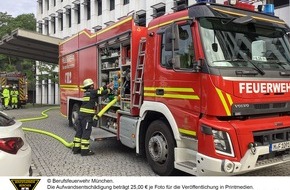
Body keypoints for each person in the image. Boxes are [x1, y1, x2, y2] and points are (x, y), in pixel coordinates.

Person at [72, 78, 113, 156]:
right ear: (91, 86)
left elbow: (98, 90)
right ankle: (84, 151)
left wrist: (106, 86)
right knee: (86, 132)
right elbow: (101, 92)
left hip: (81, 115)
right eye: (92, 85)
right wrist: (110, 89)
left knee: (79, 132)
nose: (93, 86)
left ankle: (76, 149)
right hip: (87, 117)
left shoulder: (86, 93)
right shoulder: (93, 92)